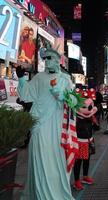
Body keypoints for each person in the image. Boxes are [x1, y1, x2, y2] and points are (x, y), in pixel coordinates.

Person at [17, 48, 74, 199]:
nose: (47, 61)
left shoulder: (65, 79)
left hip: (56, 124)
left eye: (49, 58)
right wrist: (21, 78)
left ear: (57, 60)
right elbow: (26, 94)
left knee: (55, 160)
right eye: (45, 58)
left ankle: (56, 194)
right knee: (39, 158)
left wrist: (62, 96)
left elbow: (74, 101)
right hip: (38, 123)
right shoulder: (39, 77)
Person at [73, 98, 98, 191]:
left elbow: (98, 128)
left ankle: (85, 176)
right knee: (78, 162)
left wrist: (93, 120)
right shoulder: (76, 118)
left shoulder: (90, 117)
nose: (88, 109)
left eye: (90, 106)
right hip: (79, 142)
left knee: (87, 160)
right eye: (84, 106)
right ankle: (76, 181)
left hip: (89, 141)